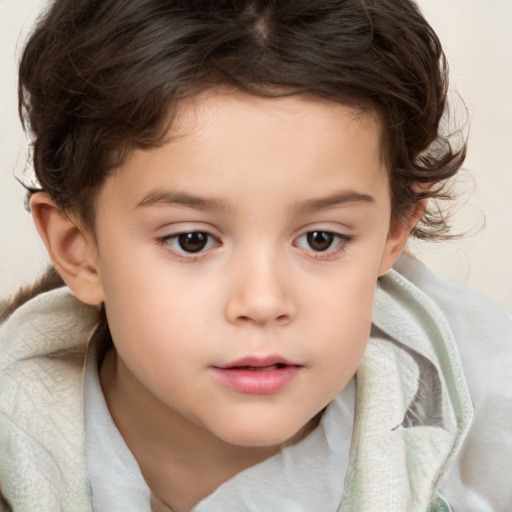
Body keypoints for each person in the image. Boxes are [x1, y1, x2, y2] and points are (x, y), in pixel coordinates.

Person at [0, 0, 510, 510]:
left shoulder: (488, 435)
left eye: (321, 239)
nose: (263, 302)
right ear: (80, 251)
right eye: (192, 240)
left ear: (392, 236)